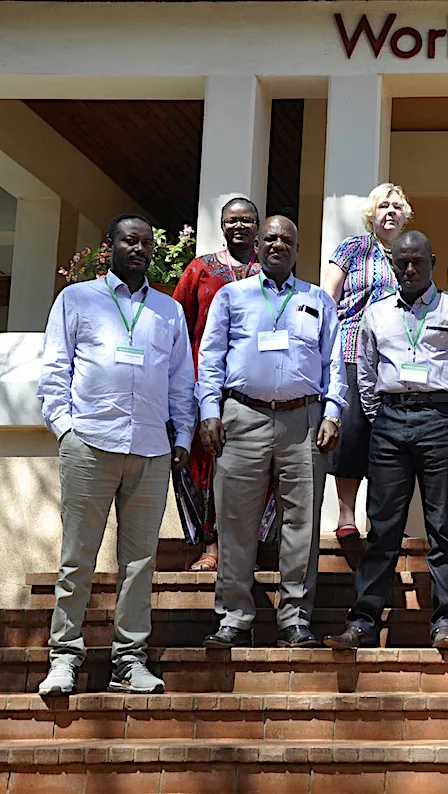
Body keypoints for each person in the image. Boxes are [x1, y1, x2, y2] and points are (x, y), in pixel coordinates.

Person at [36, 214, 195, 696]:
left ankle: (130, 659)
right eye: (130, 241)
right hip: (90, 442)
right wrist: (65, 429)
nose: (139, 249)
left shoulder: (168, 312)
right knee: (77, 558)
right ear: (111, 247)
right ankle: (64, 656)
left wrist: (182, 437)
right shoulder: (77, 299)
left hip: (150, 449)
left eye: (147, 243)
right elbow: (53, 370)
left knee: (140, 562)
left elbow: (181, 383)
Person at [325, 231, 448, 651]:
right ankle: (364, 622)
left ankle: (446, 621)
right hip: (391, 422)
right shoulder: (376, 315)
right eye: (401, 263)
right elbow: (367, 375)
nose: (409, 270)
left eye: (417, 261)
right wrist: (384, 420)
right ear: (391, 265)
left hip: (441, 419)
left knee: (443, 525)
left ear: (433, 260)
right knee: (383, 527)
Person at [198, 216, 345, 650]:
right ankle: (234, 618)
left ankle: (295, 619)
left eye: (287, 240)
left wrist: (333, 411)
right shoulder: (232, 297)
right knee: (235, 521)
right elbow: (210, 357)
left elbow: (334, 362)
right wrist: (209, 410)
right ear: (258, 246)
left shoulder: (318, 299)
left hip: (304, 422)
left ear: (297, 250)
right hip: (242, 418)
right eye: (271, 238)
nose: (278, 244)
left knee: (302, 524)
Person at [172, 197, 264, 572]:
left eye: (246, 220)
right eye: (231, 220)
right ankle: (210, 547)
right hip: (204, 386)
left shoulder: (269, 272)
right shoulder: (201, 269)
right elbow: (178, 322)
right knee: (205, 466)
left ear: (257, 226)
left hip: (253, 390)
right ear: (222, 226)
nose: (239, 226)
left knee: (254, 471)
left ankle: (245, 548)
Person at [322, 183, 411, 539]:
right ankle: (346, 517)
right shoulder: (354, 248)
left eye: (397, 206)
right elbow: (328, 300)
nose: (390, 211)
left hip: (394, 362)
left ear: (405, 216)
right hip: (351, 353)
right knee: (353, 436)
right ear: (370, 215)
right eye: (383, 206)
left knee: (389, 444)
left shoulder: (409, 252)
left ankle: (382, 523)